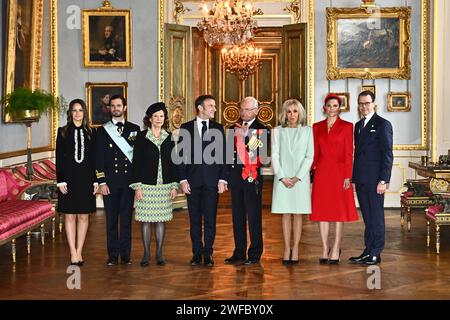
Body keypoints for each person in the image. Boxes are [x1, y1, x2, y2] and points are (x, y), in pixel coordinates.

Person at [176, 95, 228, 267]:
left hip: (212, 182)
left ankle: (208, 254)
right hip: (192, 182)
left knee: (211, 219)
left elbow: (224, 155)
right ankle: (197, 253)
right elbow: (181, 156)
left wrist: (222, 179)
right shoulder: (185, 128)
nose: (214, 108)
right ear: (200, 108)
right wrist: (182, 179)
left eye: (214, 105)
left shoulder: (219, 128)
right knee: (195, 219)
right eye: (210, 106)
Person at [310, 93, 358, 265]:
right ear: (325, 108)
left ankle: (336, 248)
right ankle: (324, 248)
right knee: (322, 212)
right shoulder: (316, 127)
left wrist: (348, 176)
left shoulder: (347, 126)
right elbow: (314, 153)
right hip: (322, 172)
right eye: (329, 106)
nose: (331, 109)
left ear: (340, 108)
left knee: (339, 212)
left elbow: (348, 154)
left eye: (335, 106)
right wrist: (307, 172)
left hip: (339, 173)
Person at [130, 102, 178, 267]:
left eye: (162, 116)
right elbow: (135, 163)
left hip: (164, 185)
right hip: (146, 185)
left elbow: (173, 162)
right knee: (146, 221)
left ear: (165, 119)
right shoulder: (141, 137)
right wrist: (137, 187)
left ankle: (159, 253)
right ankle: (145, 253)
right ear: (150, 119)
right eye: (156, 116)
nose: (159, 119)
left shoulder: (169, 136)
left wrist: (173, 185)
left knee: (160, 221)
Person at [224, 96, 270, 265]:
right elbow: (228, 156)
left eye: (248, 110)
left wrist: (245, 138)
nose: (243, 113)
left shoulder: (263, 129)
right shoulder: (232, 128)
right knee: (237, 217)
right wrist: (226, 177)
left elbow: (262, 157)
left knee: (254, 217)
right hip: (235, 179)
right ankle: (239, 252)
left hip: (252, 179)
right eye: (242, 109)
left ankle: (255, 253)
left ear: (256, 111)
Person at [349, 90, 393, 266]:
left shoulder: (383, 124)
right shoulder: (358, 126)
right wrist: (354, 179)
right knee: (367, 217)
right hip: (361, 179)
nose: (364, 107)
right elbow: (358, 155)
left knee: (376, 217)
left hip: (376, 181)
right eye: (361, 104)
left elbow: (387, 154)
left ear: (374, 104)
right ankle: (368, 251)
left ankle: (376, 253)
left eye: (367, 103)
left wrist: (383, 180)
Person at [95, 95, 140, 266]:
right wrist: (102, 182)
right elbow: (98, 159)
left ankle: (126, 255)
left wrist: (137, 184)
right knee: (111, 221)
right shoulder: (102, 131)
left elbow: (136, 160)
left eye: (119, 105)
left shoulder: (134, 129)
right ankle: (113, 255)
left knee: (127, 220)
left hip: (128, 182)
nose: (116, 108)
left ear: (125, 107)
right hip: (110, 184)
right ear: (109, 109)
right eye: (113, 106)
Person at [56, 99, 98, 266]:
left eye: (80, 110)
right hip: (68, 180)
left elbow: (94, 159)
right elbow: (59, 158)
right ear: (70, 113)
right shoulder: (62, 132)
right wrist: (61, 181)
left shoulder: (91, 133)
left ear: (84, 113)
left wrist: (96, 180)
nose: (77, 113)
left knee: (83, 216)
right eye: (74, 110)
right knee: (70, 216)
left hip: (86, 180)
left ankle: (79, 251)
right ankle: (72, 252)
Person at [271, 99, 313, 265]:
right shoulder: (277, 131)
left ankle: (295, 248)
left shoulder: (308, 131)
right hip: (282, 179)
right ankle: (286, 248)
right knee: (285, 213)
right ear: (284, 113)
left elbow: (309, 156)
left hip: (300, 179)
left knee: (298, 213)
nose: (292, 115)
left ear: (300, 113)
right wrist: (282, 176)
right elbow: (274, 155)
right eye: (289, 111)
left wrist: (297, 177)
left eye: (295, 111)